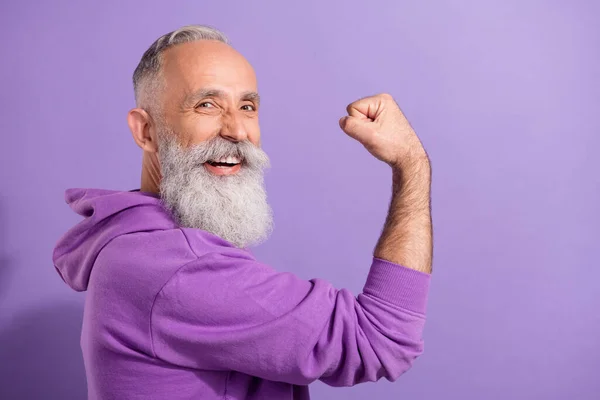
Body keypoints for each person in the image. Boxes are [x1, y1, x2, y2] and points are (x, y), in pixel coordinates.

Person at [53, 25, 433, 400]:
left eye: (247, 106)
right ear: (146, 131)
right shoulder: (178, 268)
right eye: (206, 104)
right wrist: (411, 164)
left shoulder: (135, 245)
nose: (237, 130)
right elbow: (382, 339)